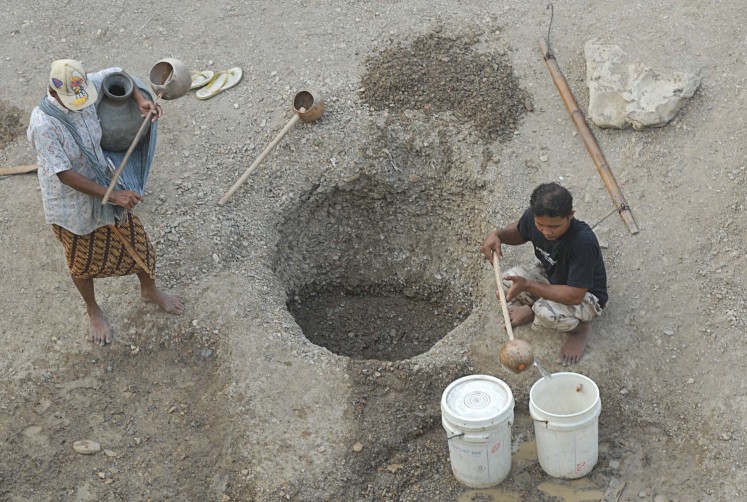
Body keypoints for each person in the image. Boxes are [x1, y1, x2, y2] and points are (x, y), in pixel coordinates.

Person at [27, 59, 183, 345]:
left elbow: (118, 74)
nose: (81, 103)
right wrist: (112, 194)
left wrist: (139, 100)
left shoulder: (85, 86)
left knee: (140, 245)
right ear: (53, 90)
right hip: (71, 204)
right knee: (81, 264)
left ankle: (149, 291)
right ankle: (93, 310)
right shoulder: (44, 124)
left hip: (103, 180)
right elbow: (65, 175)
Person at [480, 182, 607, 365]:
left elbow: (574, 296)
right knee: (506, 280)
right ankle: (533, 309)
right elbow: (519, 233)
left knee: (545, 313)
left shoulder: (583, 243)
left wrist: (528, 285)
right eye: (541, 225)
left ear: (570, 215)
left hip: (585, 296)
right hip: (551, 279)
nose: (547, 232)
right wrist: (497, 235)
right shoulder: (532, 219)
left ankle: (580, 329)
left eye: (555, 226)